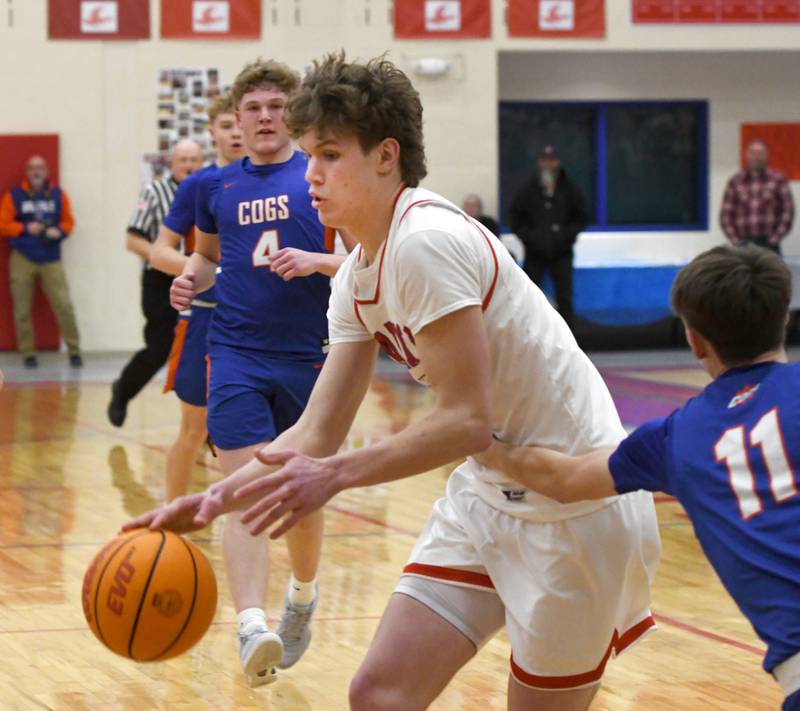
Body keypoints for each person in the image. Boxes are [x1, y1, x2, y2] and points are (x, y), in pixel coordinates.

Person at [126, 53, 659, 711]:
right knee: (379, 694)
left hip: (573, 506)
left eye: (328, 154)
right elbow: (317, 429)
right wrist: (212, 501)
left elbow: (464, 418)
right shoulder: (355, 273)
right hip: (489, 493)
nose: (310, 173)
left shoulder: (425, 241)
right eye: (308, 153)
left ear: (385, 156)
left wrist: (337, 474)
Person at [473, 245, 800, 711]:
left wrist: (481, 445)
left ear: (694, 341)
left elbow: (565, 480)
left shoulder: (678, 437)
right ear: (785, 319)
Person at [169, 59, 351, 688]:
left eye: (278, 106)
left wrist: (319, 261)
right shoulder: (214, 187)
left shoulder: (321, 176)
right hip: (236, 352)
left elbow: (362, 259)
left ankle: (301, 595)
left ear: (292, 114)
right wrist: (190, 280)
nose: (267, 117)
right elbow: (209, 258)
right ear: (238, 120)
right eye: (255, 108)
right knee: (245, 487)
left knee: (299, 494)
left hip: (312, 355)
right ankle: (250, 623)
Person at [149, 93, 245, 502]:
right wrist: (200, 269)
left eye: (240, 123)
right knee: (193, 429)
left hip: (261, 322)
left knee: (259, 437)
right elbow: (159, 251)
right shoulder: (199, 184)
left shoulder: (286, 178)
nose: (237, 133)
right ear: (212, 133)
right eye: (226, 126)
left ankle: (249, 523)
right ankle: (168, 518)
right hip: (205, 317)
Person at [108, 139, 203, 427]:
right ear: (172, 164)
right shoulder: (155, 191)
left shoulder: (210, 188)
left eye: (194, 160)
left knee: (203, 348)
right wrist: (167, 258)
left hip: (202, 279)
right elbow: (132, 239)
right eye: (183, 160)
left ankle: (203, 423)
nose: (188, 165)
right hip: (161, 282)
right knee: (160, 348)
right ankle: (123, 390)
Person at [0, 155, 82, 368]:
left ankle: (74, 350)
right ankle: (28, 353)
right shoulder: (14, 196)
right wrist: (25, 228)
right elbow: (3, 224)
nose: (36, 172)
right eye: (32, 168)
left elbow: (69, 222)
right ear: (26, 172)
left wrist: (59, 231)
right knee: (22, 307)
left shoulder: (57, 195)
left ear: (46, 171)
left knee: (64, 305)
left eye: (40, 168)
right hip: (22, 257)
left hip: (51, 257)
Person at [507, 145, 589, 330]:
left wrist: (566, 235)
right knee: (528, 296)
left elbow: (582, 217)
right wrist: (530, 237)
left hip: (562, 252)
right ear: (539, 163)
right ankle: (526, 335)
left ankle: (570, 341)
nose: (548, 164)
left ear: (558, 163)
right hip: (535, 252)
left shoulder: (569, 188)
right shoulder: (529, 189)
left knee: (565, 298)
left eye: (551, 161)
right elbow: (514, 217)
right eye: (544, 160)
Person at [720, 139, 795, 255]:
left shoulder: (778, 180)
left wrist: (774, 239)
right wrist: (736, 241)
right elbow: (726, 215)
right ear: (747, 155)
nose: (757, 157)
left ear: (766, 156)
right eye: (753, 153)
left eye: (760, 153)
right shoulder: (735, 181)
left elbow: (788, 212)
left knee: (771, 273)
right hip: (743, 246)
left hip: (770, 245)